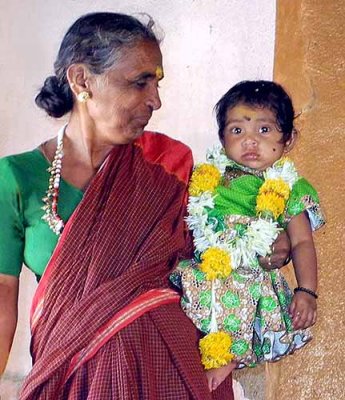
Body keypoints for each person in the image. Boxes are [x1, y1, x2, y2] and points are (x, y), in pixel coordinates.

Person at [0, 13, 289, 399]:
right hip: (73, 378)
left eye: (157, 82)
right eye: (140, 82)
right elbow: (3, 298)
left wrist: (270, 241)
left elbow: (218, 261)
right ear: (82, 80)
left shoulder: (169, 164)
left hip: (171, 372)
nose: (155, 100)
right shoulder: (17, 177)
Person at [171, 80, 325, 392]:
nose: (250, 141)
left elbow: (301, 242)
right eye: (238, 131)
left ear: (289, 138)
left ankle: (228, 356)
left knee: (239, 283)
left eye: (264, 130)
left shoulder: (289, 187)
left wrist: (306, 291)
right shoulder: (209, 177)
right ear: (222, 138)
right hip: (208, 266)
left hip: (250, 271)